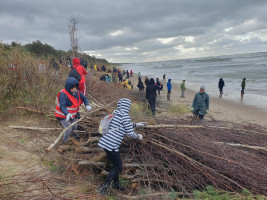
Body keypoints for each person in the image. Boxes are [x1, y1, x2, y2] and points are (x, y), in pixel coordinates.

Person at [97, 98, 146, 195]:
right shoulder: (125, 116)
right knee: (118, 167)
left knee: (116, 165)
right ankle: (104, 187)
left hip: (105, 143)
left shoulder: (116, 113)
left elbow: (123, 125)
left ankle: (115, 183)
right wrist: (138, 137)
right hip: (112, 145)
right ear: (127, 106)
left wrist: (136, 124)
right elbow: (130, 134)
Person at [55, 77, 92, 143]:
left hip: (72, 115)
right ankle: (65, 141)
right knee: (69, 128)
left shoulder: (77, 92)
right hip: (62, 115)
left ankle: (76, 137)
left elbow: (84, 98)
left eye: (75, 88)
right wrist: (67, 114)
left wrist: (87, 105)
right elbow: (62, 106)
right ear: (68, 88)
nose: (74, 89)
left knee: (75, 125)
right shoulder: (63, 94)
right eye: (72, 88)